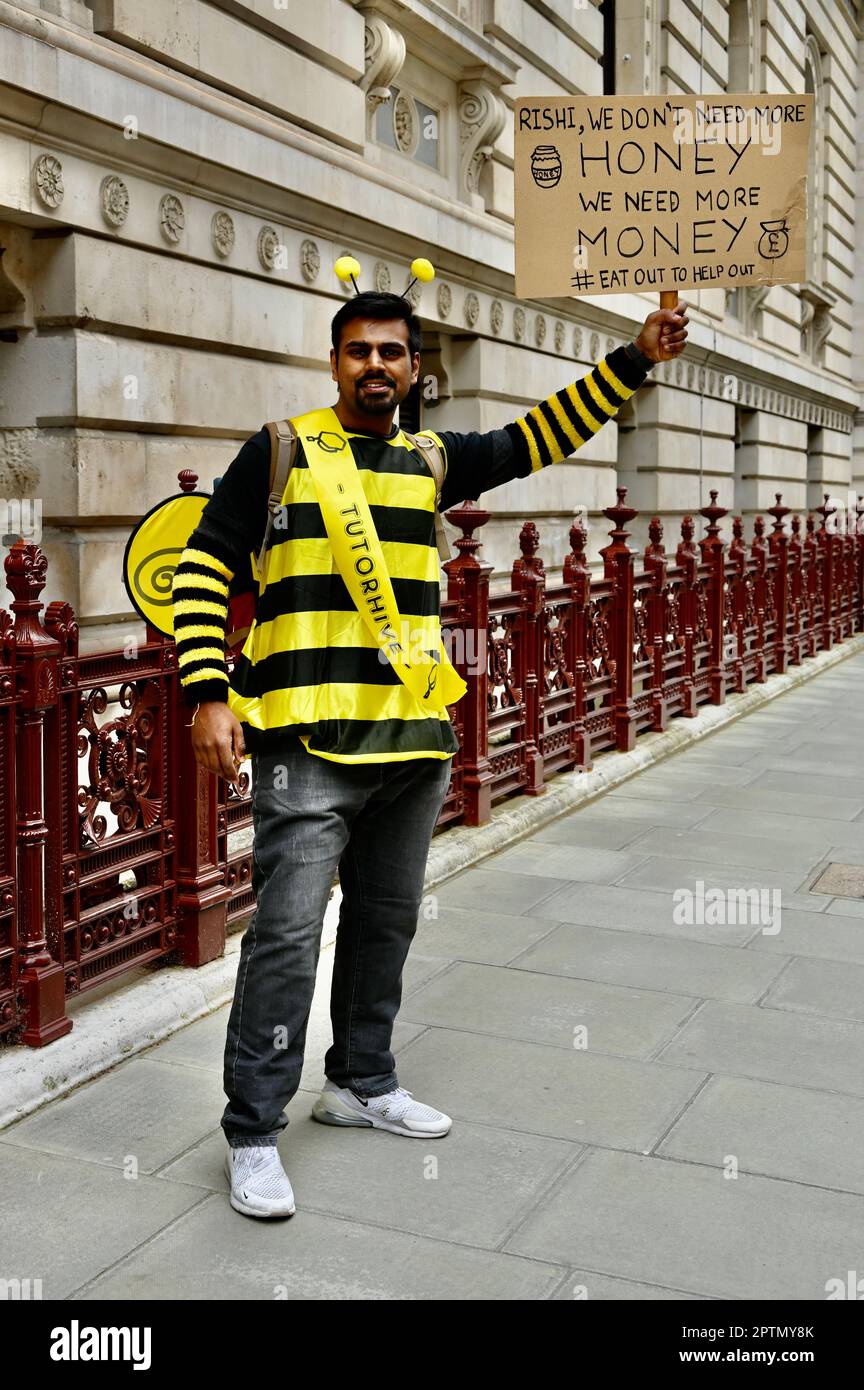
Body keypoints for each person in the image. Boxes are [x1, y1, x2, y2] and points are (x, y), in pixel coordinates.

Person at [171, 283, 689, 1218]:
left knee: (386, 923)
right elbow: (205, 564)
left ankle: (361, 1082)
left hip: (413, 740)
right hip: (305, 743)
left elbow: (541, 435)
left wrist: (637, 359)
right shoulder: (281, 450)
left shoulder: (434, 459)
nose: (376, 366)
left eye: (393, 353)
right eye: (359, 351)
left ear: (417, 370)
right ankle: (253, 1130)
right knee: (286, 937)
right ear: (336, 362)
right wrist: (209, 692)